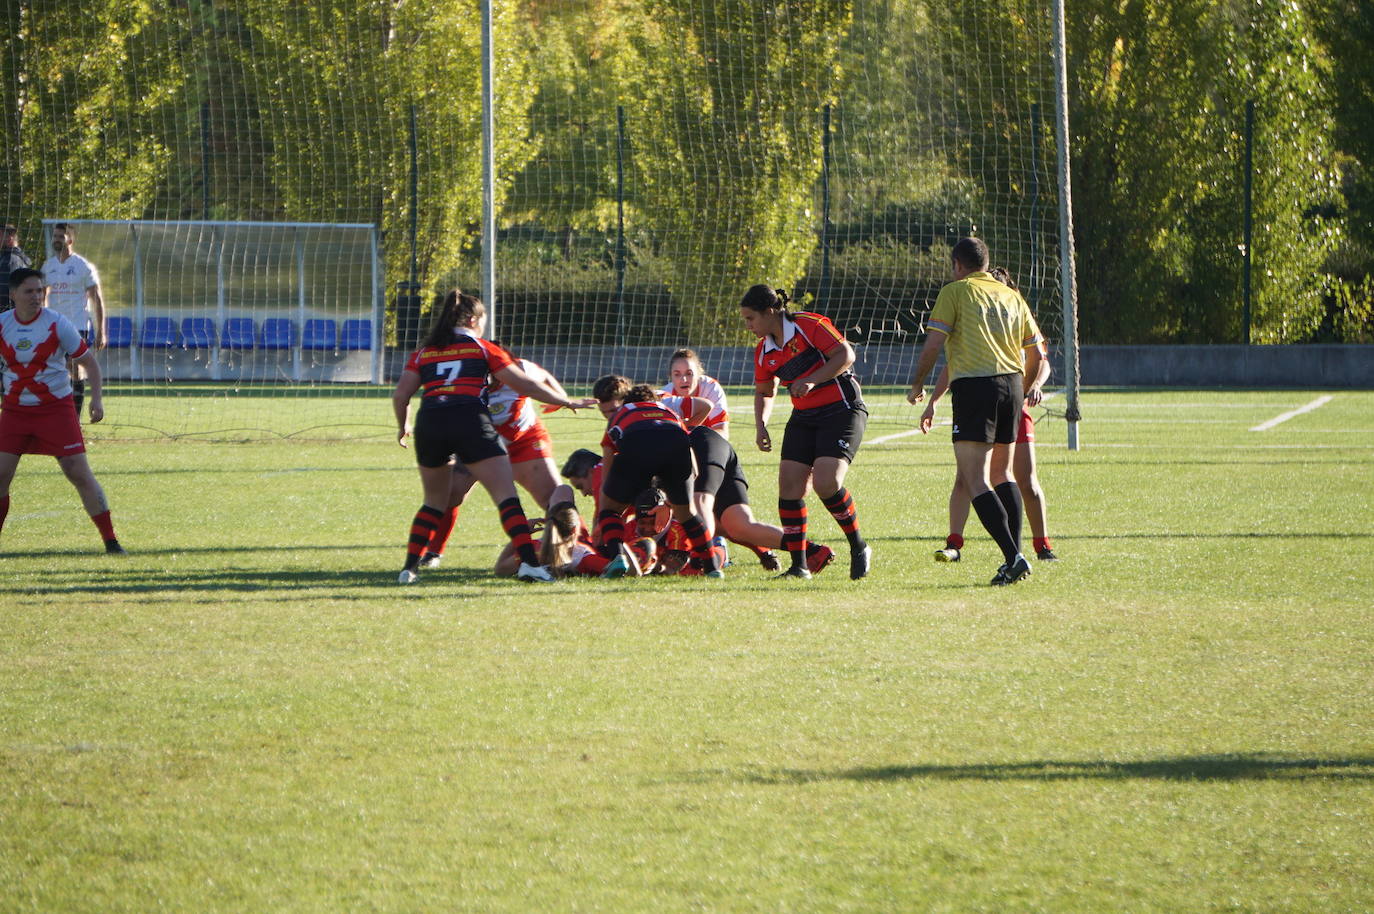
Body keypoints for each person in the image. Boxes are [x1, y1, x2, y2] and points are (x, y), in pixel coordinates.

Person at [391, 289, 594, 584]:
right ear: (474, 319)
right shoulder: (483, 348)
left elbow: (401, 395)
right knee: (504, 497)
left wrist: (403, 425)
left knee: (433, 500)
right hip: (471, 425)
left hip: (432, 424)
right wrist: (568, 401)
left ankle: (409, 569)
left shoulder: (425, 351)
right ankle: (527, 563)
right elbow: (525, 385)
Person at [906, 238, 1045, 586]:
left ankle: (1014, 557)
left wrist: (917, 384)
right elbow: (1037, 356)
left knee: (975, 478)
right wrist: (1023, 389)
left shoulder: (956, 292)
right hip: (1012, 386)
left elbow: (934, 345)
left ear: (957, 264)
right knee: (1003, 475)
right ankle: (1014, 557)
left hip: (975, 388)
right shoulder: (1011, 295)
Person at [741, 285, 872, 580]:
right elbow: (765, 391)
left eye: (751, 319)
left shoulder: (809, 325)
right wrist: (761, 424)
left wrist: (811, 380)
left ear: (770, 312)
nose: (748, 326)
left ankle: (859, 546)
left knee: (827, 483)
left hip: (843, 410)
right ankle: (799, 566)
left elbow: (845, 355)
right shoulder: (763, 351)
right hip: (804, 417)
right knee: (789, 487)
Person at [0, 268, 124, 553]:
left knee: (78, 472)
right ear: (13, 294)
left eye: (39, 291)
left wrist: (96, 400)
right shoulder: (3, 324)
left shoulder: (57, 324)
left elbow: (89, 363)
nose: (36, 296)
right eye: (29, 291)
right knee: (1, 475)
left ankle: (111, 541)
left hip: (55, 410)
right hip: (15, 412)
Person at [412, 355, 571, 571]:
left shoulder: (521, 368)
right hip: (479, 445)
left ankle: (580, 549)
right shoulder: (465, 379)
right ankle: (433, 553)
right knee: (450, 494)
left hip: (523, 441)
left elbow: (543, 376)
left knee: (553, 498)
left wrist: (560, 397)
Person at [589, 375, 722, 579]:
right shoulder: (670, 412)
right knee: (688, 515)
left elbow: (607, 471)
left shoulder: (621, 415)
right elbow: (693, 466)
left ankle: (618, 559)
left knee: (610, 510)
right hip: (676, 446)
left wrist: (605, 508)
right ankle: (712, 568)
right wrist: (674, 502)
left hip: (637, 445)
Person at [40, 223, 105, 417]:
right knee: (55, 371)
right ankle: (59, 414)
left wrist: (101, 330)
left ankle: (74, 418)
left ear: (70, 240)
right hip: (53, 327)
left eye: (61, 236)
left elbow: (97, 298)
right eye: (55, 236)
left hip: (77, 325)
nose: (56, 240)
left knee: (76, 369)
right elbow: (42, 297)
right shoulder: (48, 266)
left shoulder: (82, 266)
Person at [1, 225, 32, 314]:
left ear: (10, 239)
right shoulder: (19, 258)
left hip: (8, 316)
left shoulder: (10, 259)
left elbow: (4, 293)